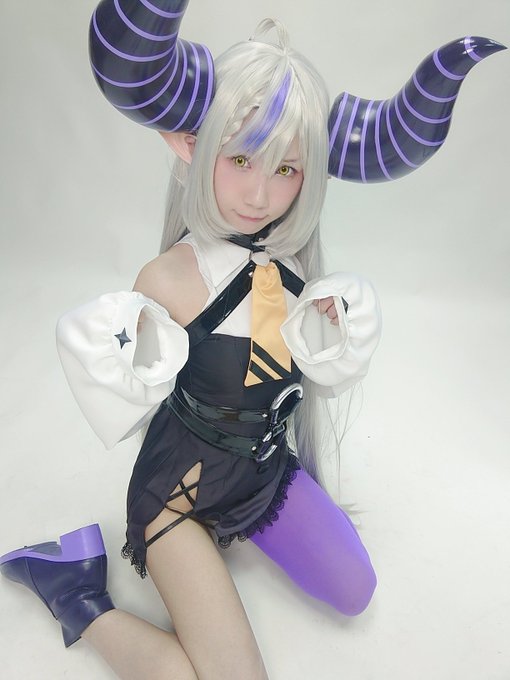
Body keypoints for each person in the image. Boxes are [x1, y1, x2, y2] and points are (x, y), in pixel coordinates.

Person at [1, 2, 503, 678]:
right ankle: (74, 593)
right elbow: (121, 384)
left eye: (286, 169)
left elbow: (314, 367)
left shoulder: (297, 272)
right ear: (190, 145)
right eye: (240, 158)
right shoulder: (169, 279)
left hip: (263, 473)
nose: (260, 195)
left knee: (356, 591)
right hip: (180, 492)